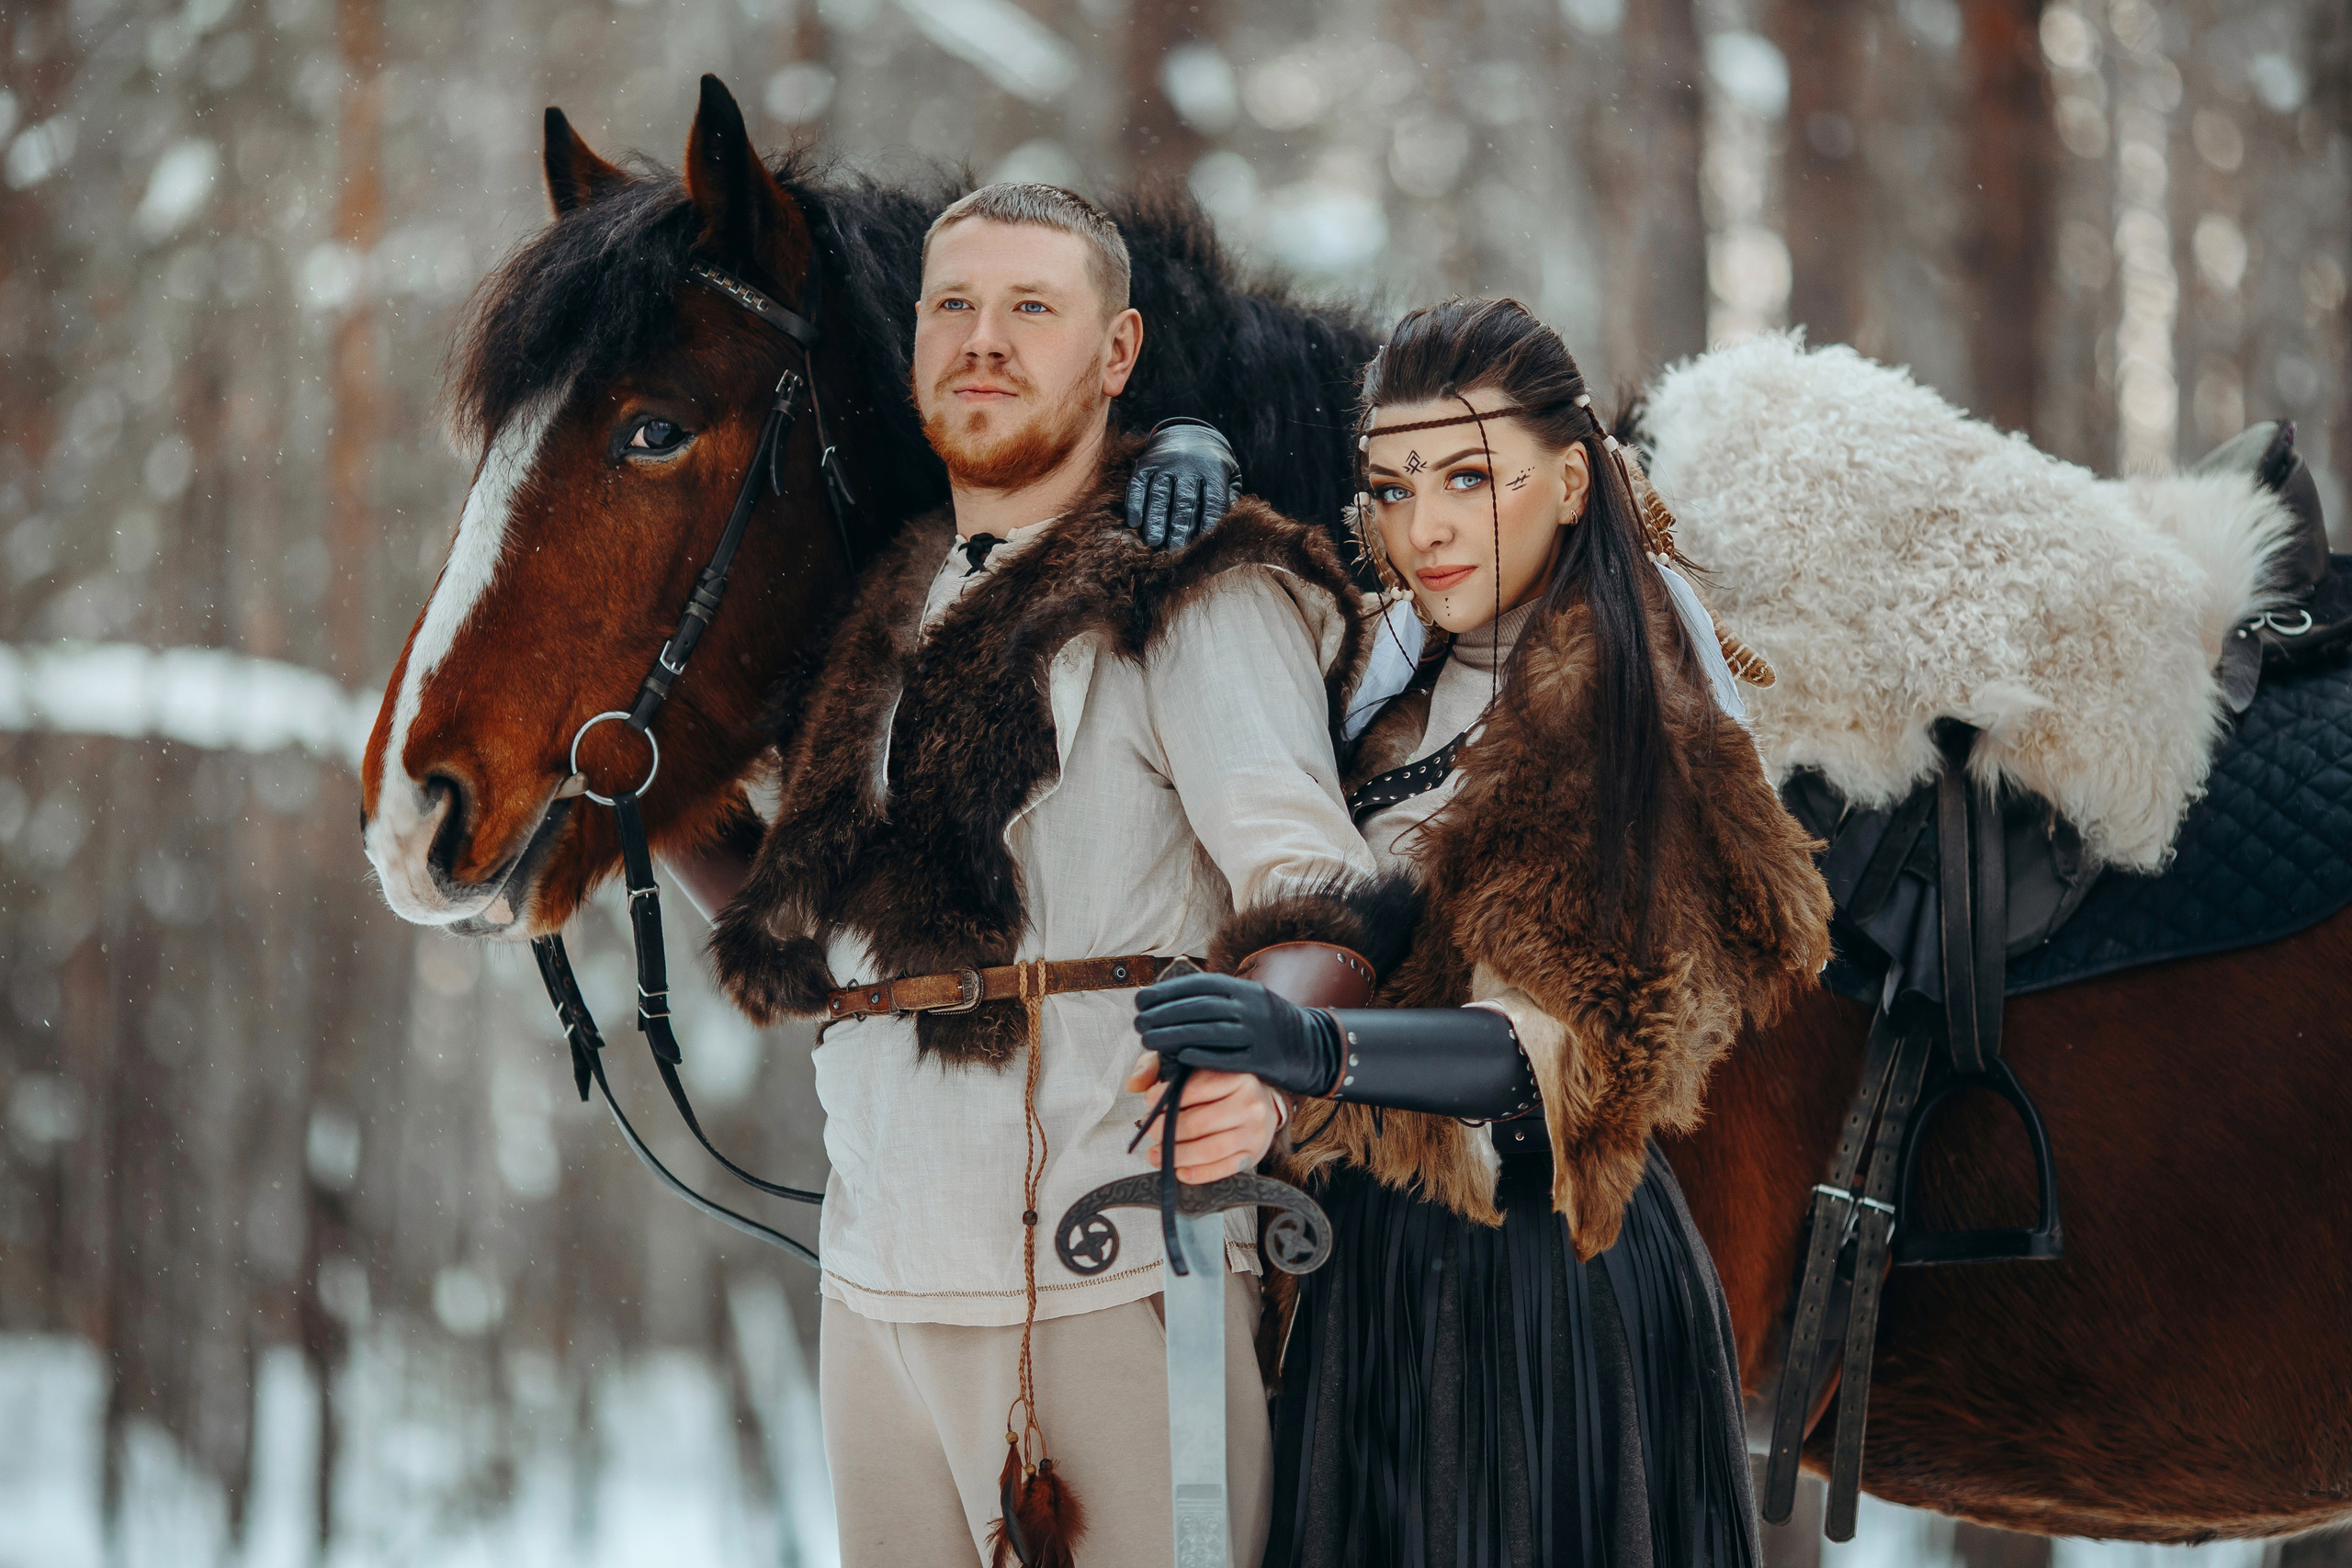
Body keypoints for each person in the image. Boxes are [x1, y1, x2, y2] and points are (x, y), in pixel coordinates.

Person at [708, 183, 1374, 1568]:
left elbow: (1315, 873)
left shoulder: (1195, 581)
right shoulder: (881, 605)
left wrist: (1265, 1058)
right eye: (953, 304)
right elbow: (817, 923)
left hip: (1118, 1270)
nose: (983, 340)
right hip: (876, 1300)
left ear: (1117, 352)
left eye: (1032, 308)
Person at [1132, 298, 1833, 1567]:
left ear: (1570, 480)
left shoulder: (1623, 705)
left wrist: (1310, 1047)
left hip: (1543, 1294)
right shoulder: (1391, 672)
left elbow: (1555, 1052)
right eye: (1391, 488)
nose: (1426, 525)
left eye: (1469, 477)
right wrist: (1184, 458)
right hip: (1376, 1281)